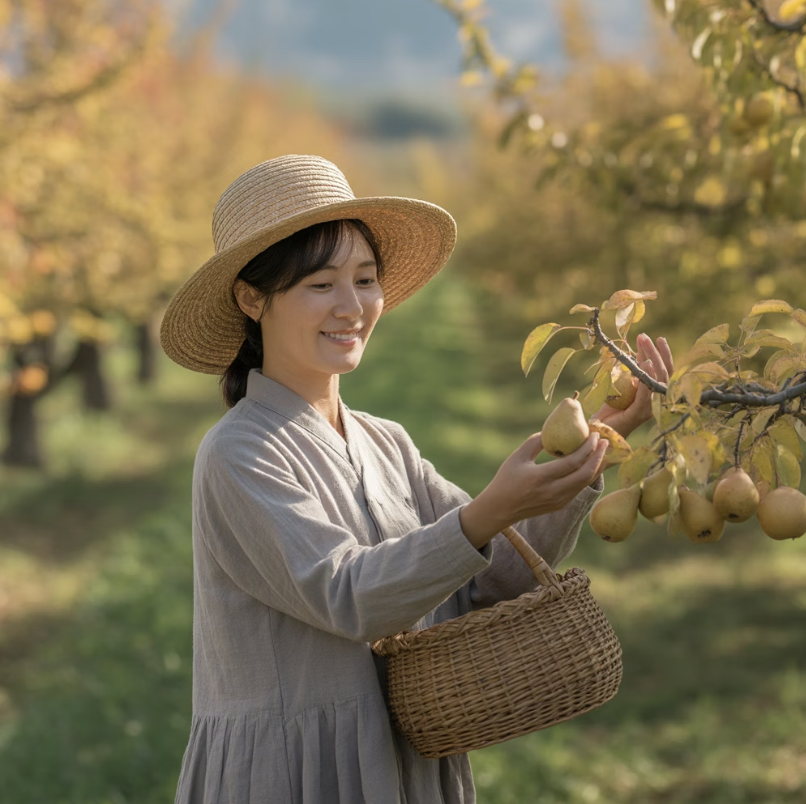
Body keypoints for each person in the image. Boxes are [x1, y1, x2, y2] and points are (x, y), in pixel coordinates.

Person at [159, 154, 673, 804]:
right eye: (321, 285)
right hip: (295, 772)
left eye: (365, 279)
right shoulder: (239, 453)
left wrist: (596, 443)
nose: (353, 306)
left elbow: (502, 574)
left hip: (403, 763)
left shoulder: (385, 442)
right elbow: (346, 594)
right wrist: (483, 514)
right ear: (252, 298)